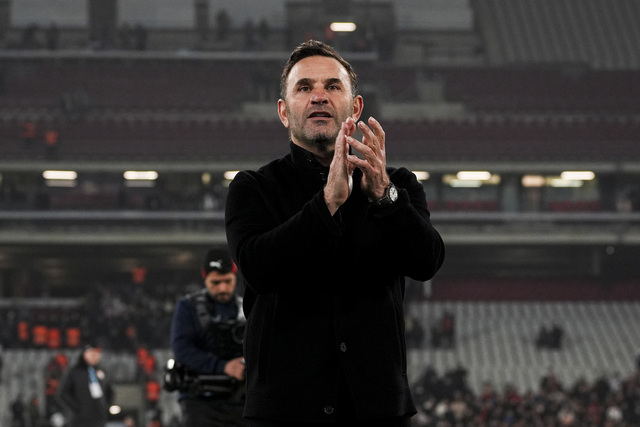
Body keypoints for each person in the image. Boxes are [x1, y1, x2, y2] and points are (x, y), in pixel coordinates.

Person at [225, 40, 445, 426]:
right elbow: (257, 269)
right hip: (284, 412)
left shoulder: (397, 185)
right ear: (284, 112)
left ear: (355, 107)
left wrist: (386, 197)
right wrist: (326, 203)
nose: (319, 97)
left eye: (332, 86)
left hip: (378, 409)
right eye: (304, 87)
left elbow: (427, 261)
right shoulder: (254, 188)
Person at [169, 248, 248, 426]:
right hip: (199, 401)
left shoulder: (245, 308)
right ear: (205, 278)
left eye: (227, 281)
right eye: (215, 282)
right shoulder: (188, 307)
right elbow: (182, 349)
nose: (222, 288)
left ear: (235, 277)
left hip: (239, 401)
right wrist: (223, 366)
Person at [56, 344, 114, 427]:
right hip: (79, 419)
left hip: (99, 418)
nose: (94, 356)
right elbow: (63, 393)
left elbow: (109, 391)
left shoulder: (102, 371)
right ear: (84, 354)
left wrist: (106, 407)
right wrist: (77, 408)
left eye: (97, 354)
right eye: (91, 353)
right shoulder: (74, 372)